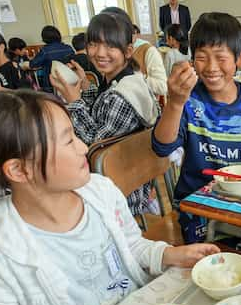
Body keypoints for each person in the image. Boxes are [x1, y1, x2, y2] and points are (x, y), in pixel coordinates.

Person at [0, 90, 219, 305]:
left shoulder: (100, 192)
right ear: (19, 170)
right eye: (68, 140)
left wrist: (169, 253)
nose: (83, 147)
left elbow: (132, 245)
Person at [152, 13, 241, 266]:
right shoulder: (189, 101)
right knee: (218, 263)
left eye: (221, 57)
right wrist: (175, 102)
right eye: (201, 58)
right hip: (198, 206)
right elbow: (162, 148)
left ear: (238, 59)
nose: (211, 67)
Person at [50, 12, 159, 217]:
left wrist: (74, 101)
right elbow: (102, 109)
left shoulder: (122, 96)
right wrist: (85, 87)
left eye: (110, 46)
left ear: (127, 51)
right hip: (129, 180)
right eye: (93, 44)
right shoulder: (127, 79)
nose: (100, 52)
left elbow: (92, 146)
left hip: (121, 193)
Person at [28, 25, 74, 91]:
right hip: (68, 81)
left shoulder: (45, 50)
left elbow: (32, 64)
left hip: (51, 85)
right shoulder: (68, 48)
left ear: (44, 38)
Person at [129, 23, 167, 96]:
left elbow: (162, 87)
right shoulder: (116, 54)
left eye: (133, 33)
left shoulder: (148, 50)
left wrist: (136, 77)